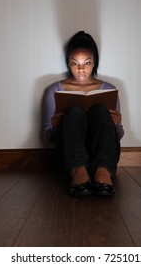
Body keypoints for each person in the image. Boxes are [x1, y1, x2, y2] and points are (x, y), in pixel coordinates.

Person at [43, 31, 124, 197]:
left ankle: (103, 173)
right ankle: (78, 173)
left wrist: (115, 124)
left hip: (102, 155)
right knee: (73, 111)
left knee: (101, 110)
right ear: (68, 63)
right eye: (75, 63)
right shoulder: (55, 89)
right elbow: (48, 137)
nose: (81, 69)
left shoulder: (109, 88)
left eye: (86, 63)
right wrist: (55, 127)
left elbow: (118, 136)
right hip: (68, 157)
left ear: (94, 62)